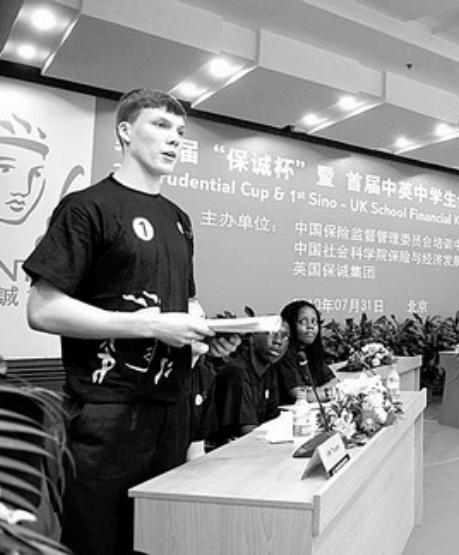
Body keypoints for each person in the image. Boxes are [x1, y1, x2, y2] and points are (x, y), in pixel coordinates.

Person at [22, 88, 240, 555]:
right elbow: (42, 309)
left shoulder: (179, 219)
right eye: (160, 125)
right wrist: (148, 326)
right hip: (108, 409)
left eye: (180, 130)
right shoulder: (88, 207)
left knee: (159, 539)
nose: (174, 138)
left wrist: (202, 335)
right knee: (97, 541)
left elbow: (186, 302)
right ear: (125, 131)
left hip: (171, 408)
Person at [210, 319, 290, 448]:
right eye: (271, 333)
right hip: (227, 450)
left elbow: (272, 419)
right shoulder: (238, 371)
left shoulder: (269, 371)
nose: (278, 341)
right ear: (253, 338)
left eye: (285, 336)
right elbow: (246, 430)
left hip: (255, 446)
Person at [276, 300, 337, 405]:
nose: (310, 326)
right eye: (303, 322)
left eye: (314, 322)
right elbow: (301, 397)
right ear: (289, 325)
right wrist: (328, 393)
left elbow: (333, 381)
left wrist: (317, 393)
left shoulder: (311, 351)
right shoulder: (284, 354)